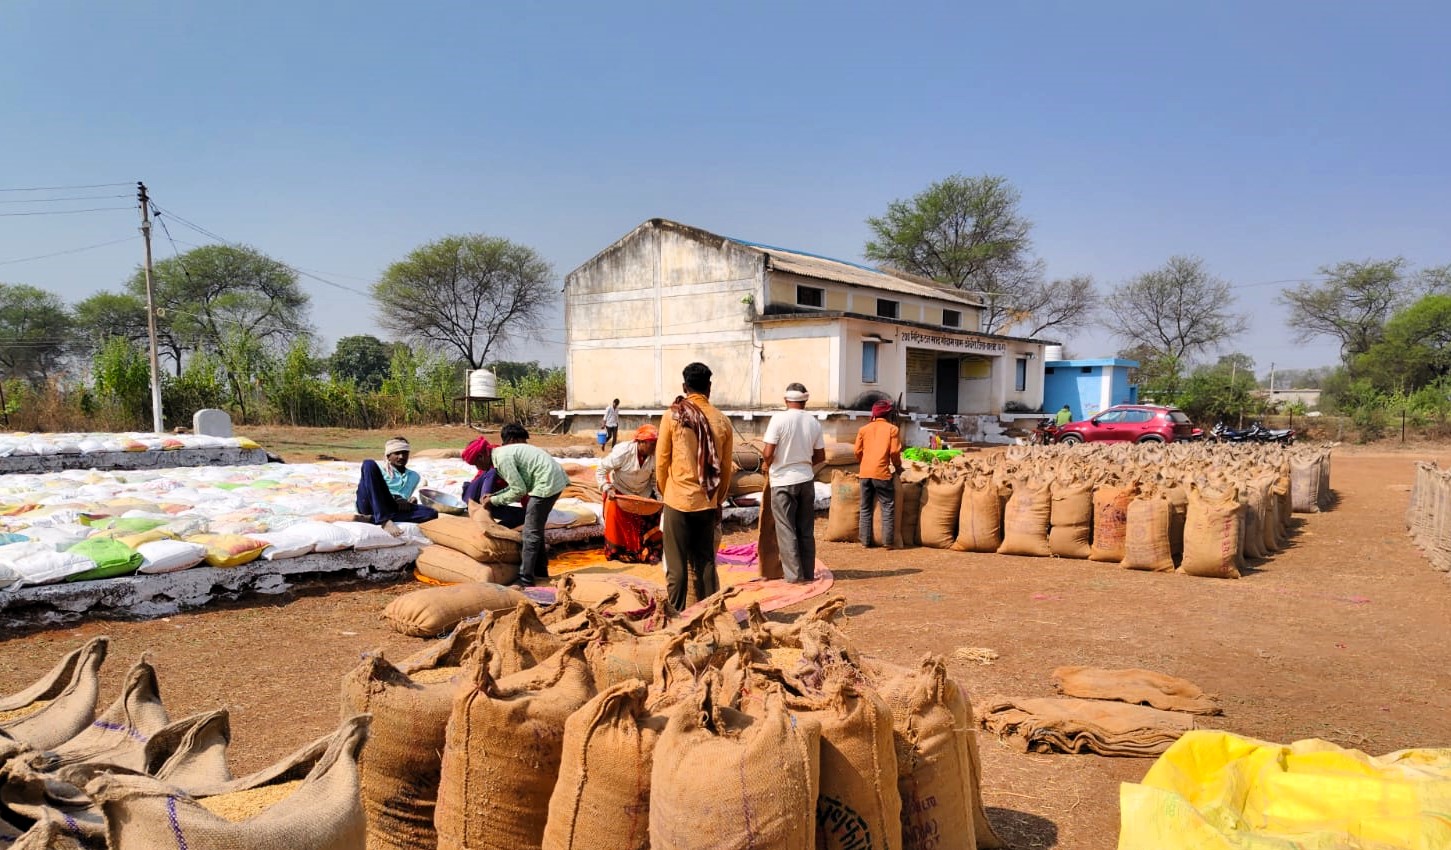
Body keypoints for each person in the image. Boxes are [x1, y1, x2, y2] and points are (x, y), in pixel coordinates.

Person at [656, 362, 734, 612]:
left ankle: (676, 617)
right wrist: (717, 499)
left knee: (676, 568)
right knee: (706, 563)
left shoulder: (672, 416)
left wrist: (667, 492)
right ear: (709, 387)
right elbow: (725, 468)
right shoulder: (722, 420)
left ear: (684, 387)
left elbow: (662, 461)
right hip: (707, 501)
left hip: (677, 500)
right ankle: (711, 615)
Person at [477, 424, 569, 588]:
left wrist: (494, 500)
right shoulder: (501, 456)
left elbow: (519, 490)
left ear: (481, 456)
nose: (477, 468)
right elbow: (520, 485)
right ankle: (541, 572)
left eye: (476, 464)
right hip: (551, 480)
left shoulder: (502, 458)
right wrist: (494, 496)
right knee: (535, 530)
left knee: (530, 533)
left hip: (546, 484)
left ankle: (525, 579)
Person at [762, 383, 826, 583]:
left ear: (785, 400)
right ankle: (808, 573)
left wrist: (767, 464)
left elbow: (768, 453)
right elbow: (820, 456)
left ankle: (794, 576)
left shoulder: (778, 419)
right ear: (806, 400)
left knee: (786, 528)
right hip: (806, 480)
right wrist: (803, 464)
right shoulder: (814, 422)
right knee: (805, 529)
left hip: (782, 481)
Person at [597, 424, 663, 563]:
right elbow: (601, 470)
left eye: (656, 444)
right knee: (615, 516)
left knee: (655, 515)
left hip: (642, 492)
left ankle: (646, 550)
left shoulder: (656, 456)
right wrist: (608, 488)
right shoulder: (623, 451)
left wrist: (659, 498)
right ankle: (619, 552)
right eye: (652, 444)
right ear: (641, 442)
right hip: (619, 490)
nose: (654, 447)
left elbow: (655, 480)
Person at [354, 437, 438, 527]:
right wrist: (396, 497)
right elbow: (371, 490)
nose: (401, 457)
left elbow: (403, 499)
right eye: (397, 453)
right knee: (368, 463)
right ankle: (383, 520)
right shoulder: (378, 469)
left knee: (431, 513)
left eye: (405, 453)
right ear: (388, 456)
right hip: (370, 504)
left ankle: (371, 519)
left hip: (391, 507)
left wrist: (407, 501)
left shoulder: (414, 476)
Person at [854, 401, 903, 548]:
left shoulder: (863, 429)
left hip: (864, 473)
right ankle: (887, 542)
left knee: (865, 507)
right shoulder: (892, 429)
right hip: (881, 473)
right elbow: (894, 452)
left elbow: (857, 451)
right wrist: (898, 467)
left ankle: (865, 541)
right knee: (887, 506)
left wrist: (865, 463)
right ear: (888, 414)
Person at [459, 435, 525, 527]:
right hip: (476, 497)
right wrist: (486, 498)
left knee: (526, 515)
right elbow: (483, 477)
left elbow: (520, 488)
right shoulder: (493, 458)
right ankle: (485, 509)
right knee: (492, 471)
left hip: (492, 499)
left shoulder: (509, 459)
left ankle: (496, 527)